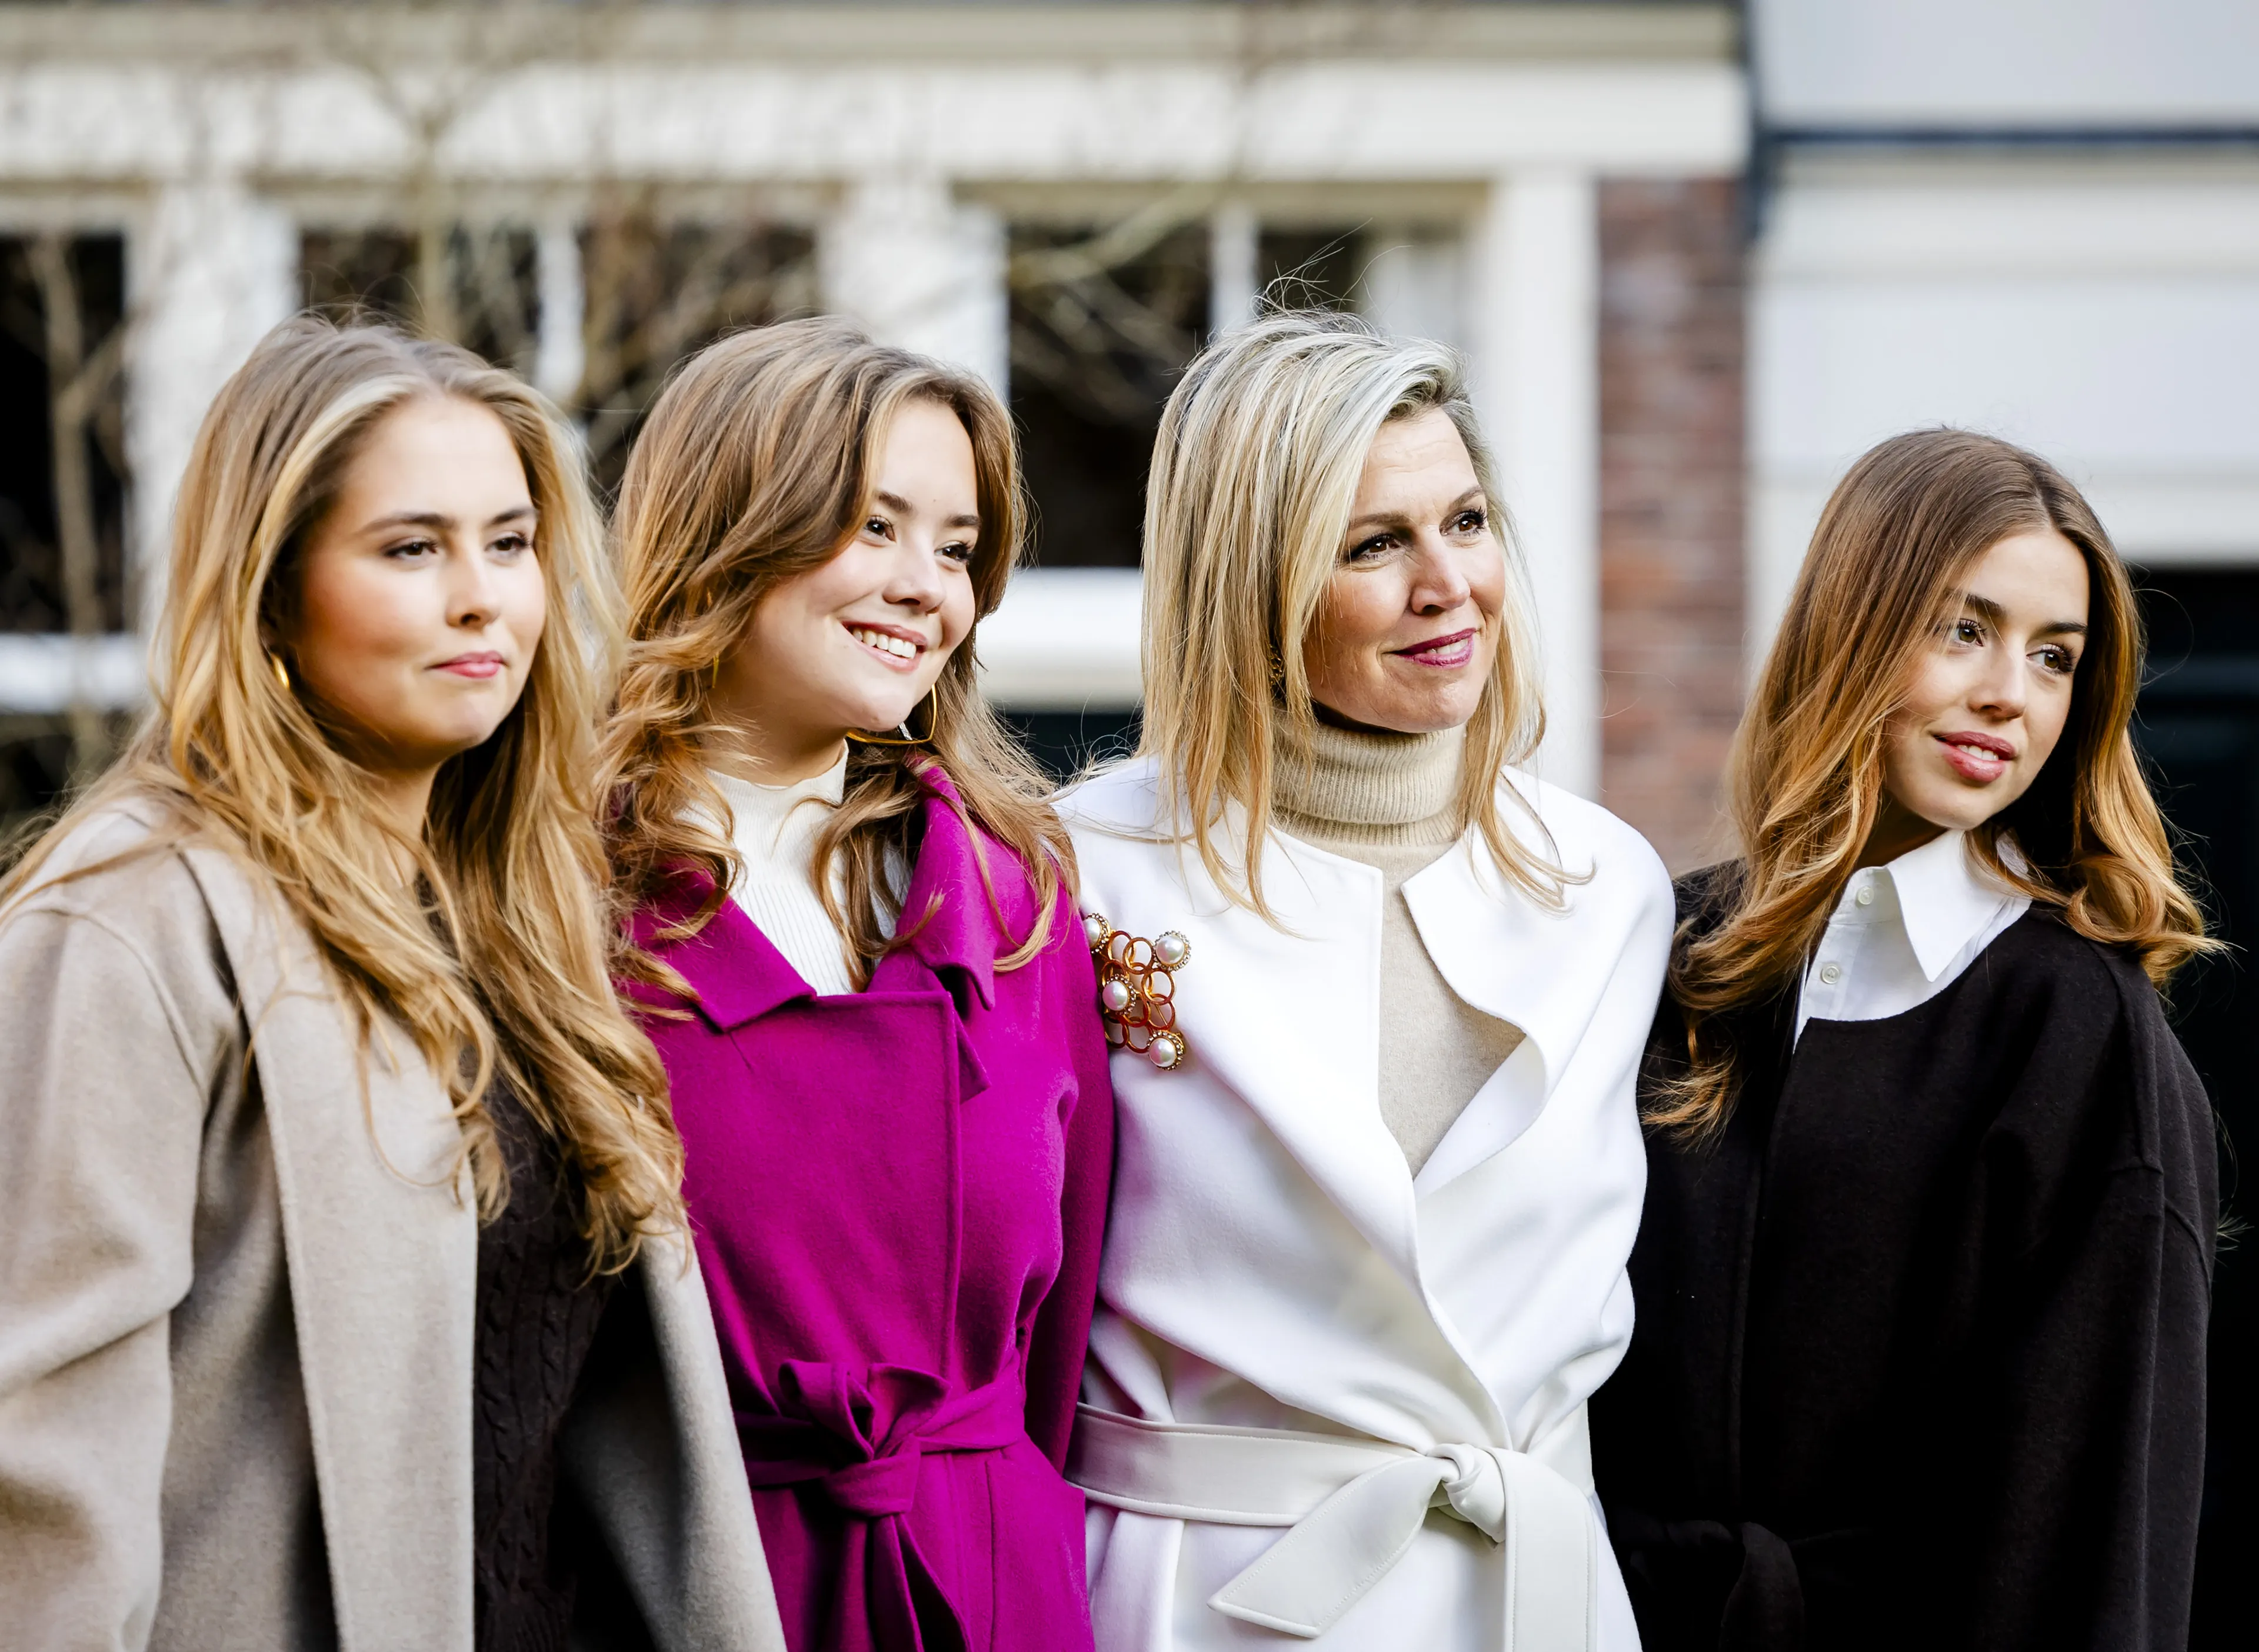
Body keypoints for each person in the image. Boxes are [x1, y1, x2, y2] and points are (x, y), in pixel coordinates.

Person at [0, 317, 785, 1651]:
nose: (482, 598)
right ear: (272, 590)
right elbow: (41, 1478)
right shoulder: (135, 918)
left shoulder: (526, 916)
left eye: (511, 542)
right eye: (412, 548)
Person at [1058, 312, 1672, 1651]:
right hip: (1199, 1599)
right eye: (1374, 545)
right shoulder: (1083, 876)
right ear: (1254, 584)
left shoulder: (1606, 887)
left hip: (1529, 1596)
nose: (1449, 585)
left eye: (1467, 522)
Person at [1591, 429, 2217, 1652]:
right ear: (1853, 625)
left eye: (2055, 657)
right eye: (1964, 630)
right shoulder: (1665, 949)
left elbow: (2102, 1539)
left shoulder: (2080, 1032)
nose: (2010, 694)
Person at [599, 318, 1114, 1652]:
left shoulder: (1014, 901)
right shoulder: (555, 902)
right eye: (875, 526)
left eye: (956, 549)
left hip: (993, 1588)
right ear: (731, 529)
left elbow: (1063, 1344)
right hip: (689, 1592)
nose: (925, 588)